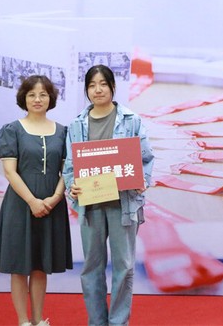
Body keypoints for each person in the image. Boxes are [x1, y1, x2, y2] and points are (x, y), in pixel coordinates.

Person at [63, 64, 154, 326]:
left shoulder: (131, 120)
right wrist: (72, 185)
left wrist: (142, 180)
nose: (98, 90)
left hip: (122, 204)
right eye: (92, 85)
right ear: (86, 90)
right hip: (90, 205)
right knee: (91, 268)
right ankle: (96, 322)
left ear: (113, 87)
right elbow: (70, 166)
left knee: (124, 267)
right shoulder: (77, 124)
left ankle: (118, 322)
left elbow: (146, 158)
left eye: (103, 84)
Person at [0, 75, 73, 326]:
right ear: (23, 99)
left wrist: (55, 198)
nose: (38, 99)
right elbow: (10, 172)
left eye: (43, 94)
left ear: (51, 99)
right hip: (20, 204)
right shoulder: (12, 130)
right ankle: (23, 321)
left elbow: (67, 171)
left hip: (52, 204)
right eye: (32, 95)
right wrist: (32, 201)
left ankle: (39, 320)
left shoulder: (63, 132)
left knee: (40, 265)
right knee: (19, 266)